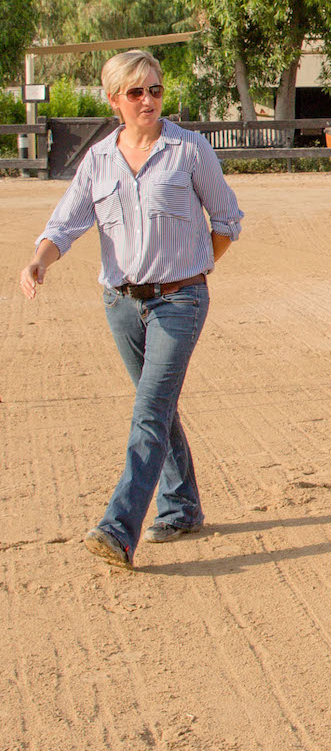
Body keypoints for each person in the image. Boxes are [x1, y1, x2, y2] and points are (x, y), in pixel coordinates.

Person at [18, 49, 244, 570]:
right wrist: (38, 262)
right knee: (157, 406)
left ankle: (119, 529)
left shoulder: (189, 150)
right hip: (120, 303)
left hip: (180, 301)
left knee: (148, 411)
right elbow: (64, 225)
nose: (149, 100)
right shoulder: (98, 160)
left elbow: (228, 219)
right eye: (136, 92)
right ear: (114, 99)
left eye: (156, 89)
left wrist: (195, 268)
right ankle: (182, 504)